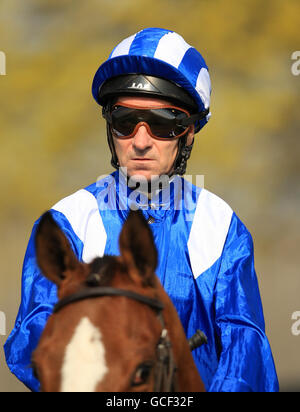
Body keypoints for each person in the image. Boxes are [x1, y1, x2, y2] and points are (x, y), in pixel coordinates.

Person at [4, 27, 279, 392]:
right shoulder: (66, 222)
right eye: (125, 122)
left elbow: (246, 350)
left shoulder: (222, 228)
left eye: (163, 124)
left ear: (189, 133)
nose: (141, 141)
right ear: (110, 128)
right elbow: (35, 335)